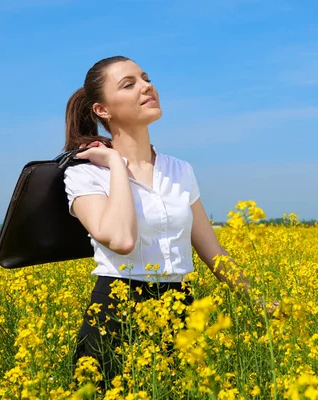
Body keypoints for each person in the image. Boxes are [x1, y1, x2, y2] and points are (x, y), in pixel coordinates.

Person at [62, 56, 275, 390]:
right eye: (129, 83)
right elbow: (120, 240)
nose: (147, 86)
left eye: (146, 78)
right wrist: (117, 166)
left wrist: (257, 300)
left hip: (181, 310)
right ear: (102, 110)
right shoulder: (85, 172)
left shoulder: (180, 170)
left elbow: (212, 250)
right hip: (115, 317)